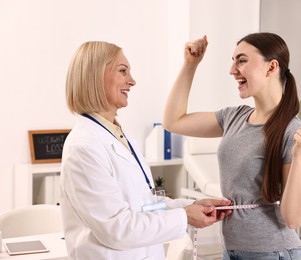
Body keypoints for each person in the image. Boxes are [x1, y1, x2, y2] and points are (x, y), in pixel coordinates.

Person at [60, 41, 232, 260]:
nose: (132, 81)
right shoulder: (84, 147)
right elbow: (116, 229)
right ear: (95, 75)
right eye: (123, 71)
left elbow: (145, 204)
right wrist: (183, 216)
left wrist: (189, 206)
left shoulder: (119, 136)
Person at [163, 32, 301, 260]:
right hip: (231, 249)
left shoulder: (292, 132)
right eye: (233, 60)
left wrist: (300, 156)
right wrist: (190, 65)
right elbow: (173, 122)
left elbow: (293, 219)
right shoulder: (233, 117)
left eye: (242, 60)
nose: (232, 70)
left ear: (271, 67)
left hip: (273, 252)